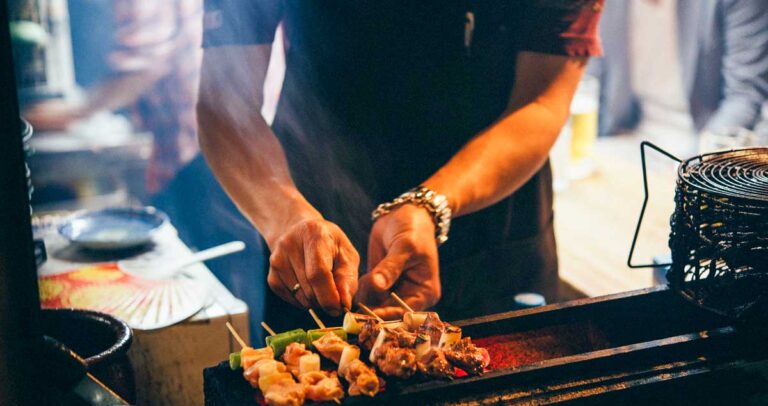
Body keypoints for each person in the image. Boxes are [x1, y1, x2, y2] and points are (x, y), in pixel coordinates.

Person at [198, 1, 605, 331]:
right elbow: (224, 102)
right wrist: (286, 217)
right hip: (313, 227)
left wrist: (429, 205)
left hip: (492, 230)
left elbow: (541, 101)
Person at [24, 0, 270, 338]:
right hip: (192, 154)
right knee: (210, 279)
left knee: (225, 289)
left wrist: (70, 114)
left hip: (205, 158)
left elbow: (143, 64)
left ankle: (247, 363)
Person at [592, 0, 768, 154]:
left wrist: (692, 168)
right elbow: (590, 80)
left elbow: (745, 96)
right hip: (622, 142)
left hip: (698, 148)